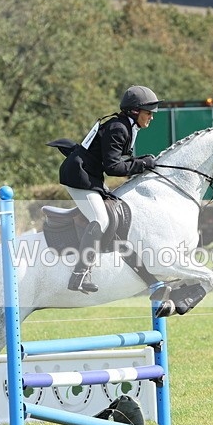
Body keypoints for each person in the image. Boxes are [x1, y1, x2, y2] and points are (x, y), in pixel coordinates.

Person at [57, 85, 161, 294]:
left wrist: (142, 161)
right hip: (78, 176)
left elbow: (120, 161)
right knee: (101, 220)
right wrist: (143, 165)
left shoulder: (127, 126)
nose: (151, 117)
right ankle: (79, 274)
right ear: (135, 111)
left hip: (90, 175)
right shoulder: (118, 128)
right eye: (148, 113)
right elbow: (113, 168)